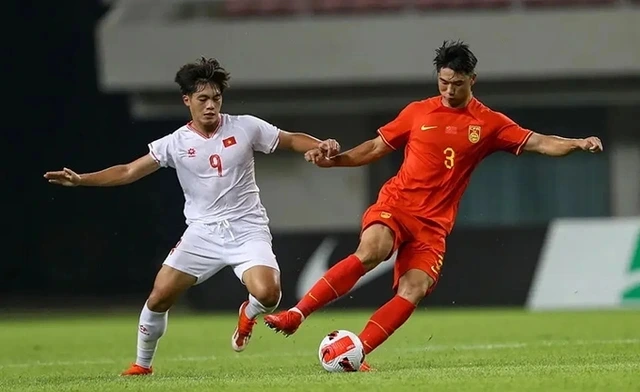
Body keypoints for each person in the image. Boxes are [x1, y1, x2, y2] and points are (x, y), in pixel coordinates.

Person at [264, 41, 603, 370]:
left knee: (415, 289)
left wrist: (577, 143)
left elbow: (540, 143)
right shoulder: (417, 112)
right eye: (443, 82)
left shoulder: (489, 123)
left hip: (434, 225)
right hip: (397, 204)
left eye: (456, 83)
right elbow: (373, 149)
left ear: (472, 79)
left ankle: (357, 352)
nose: (449, 90)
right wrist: (334, 162)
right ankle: (297, 314)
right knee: (373, 250)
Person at [44, 57, 340, 376]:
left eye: (216, 98)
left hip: (247, 229)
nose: (211, 105)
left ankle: (248, 313)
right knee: (159, 297)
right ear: (187, 101)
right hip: (202, 234)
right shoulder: (174, 143)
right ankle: (142, 365)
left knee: (269, 295)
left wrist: (320, 144)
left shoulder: (245, 126)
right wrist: (82, 179)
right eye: (203, 99)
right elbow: (129, 170)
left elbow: (291, 138)